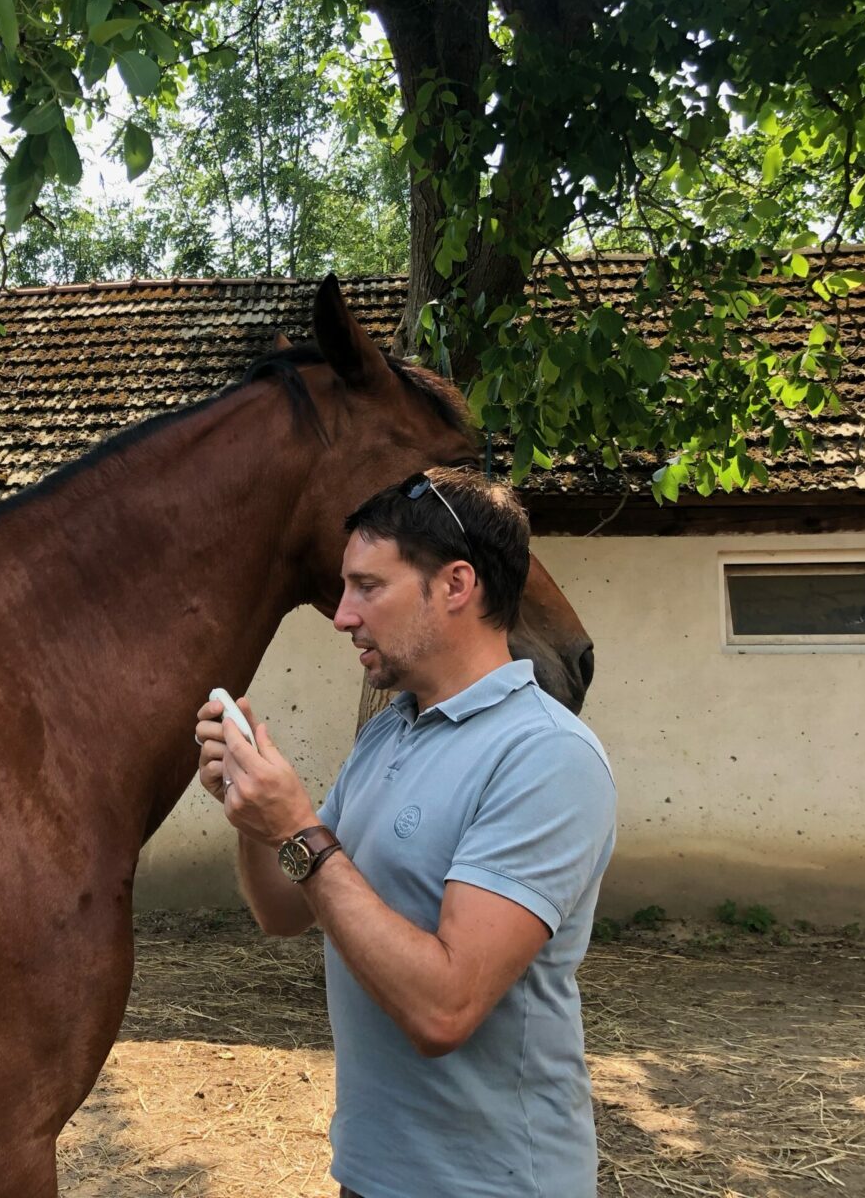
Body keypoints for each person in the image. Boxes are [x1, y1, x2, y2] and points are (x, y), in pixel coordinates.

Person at [194, 466, 617, 1198]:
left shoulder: (546, 755)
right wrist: (252, 811)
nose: (342, 616)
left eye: (368, 587)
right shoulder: (391, 734)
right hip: (372, 1173)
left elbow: (444, 1008)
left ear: (456, 585)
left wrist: (297, 825)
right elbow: (286, 910)